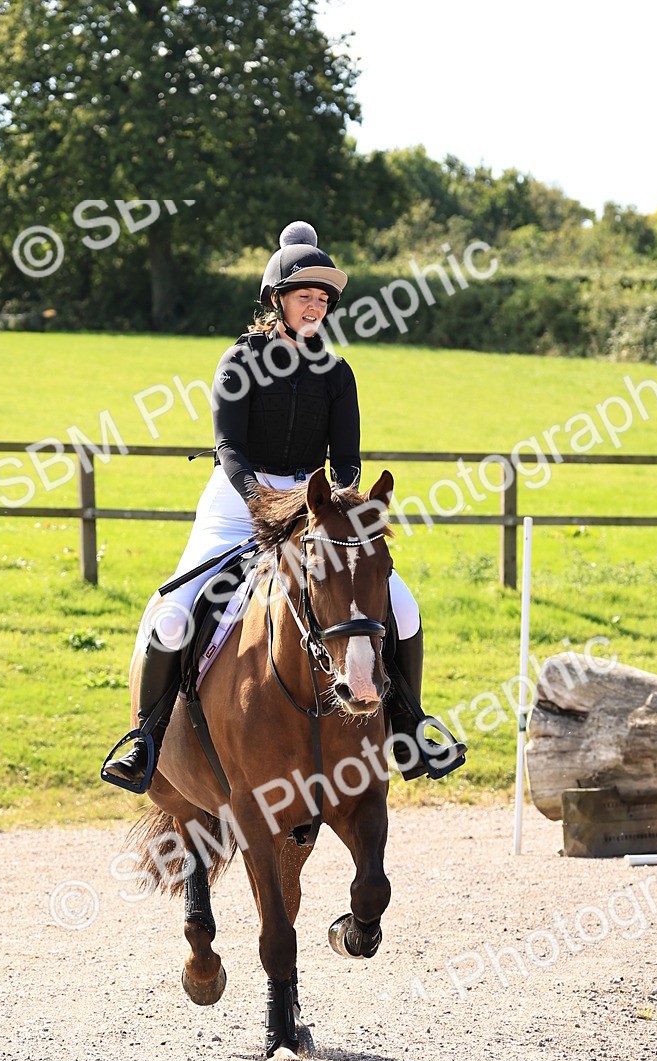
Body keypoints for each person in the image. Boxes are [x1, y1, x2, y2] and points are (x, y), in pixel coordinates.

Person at [103, 221, 465, 791]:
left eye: (323, 299)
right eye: (305, 296)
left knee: (404, 605)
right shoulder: (239, 360)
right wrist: (263, 503)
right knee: (174, 612)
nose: (315, 306)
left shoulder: (337, 373)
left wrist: (335, 506)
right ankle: (145, 739)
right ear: (277, 299)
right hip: (236, 502)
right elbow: (229, 448)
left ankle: (409, 727)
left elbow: (346, 462)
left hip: (314, 507)